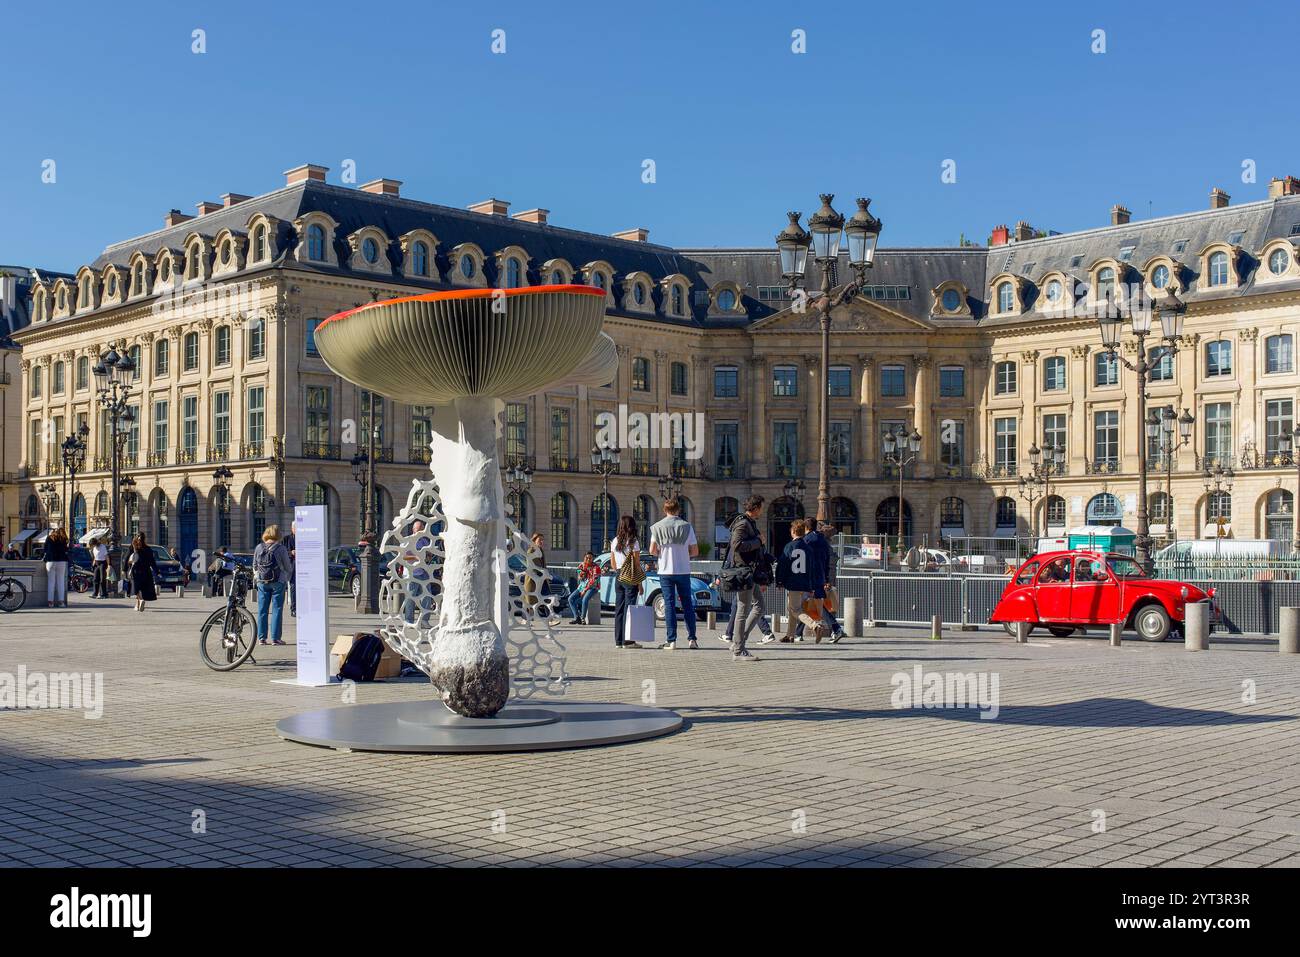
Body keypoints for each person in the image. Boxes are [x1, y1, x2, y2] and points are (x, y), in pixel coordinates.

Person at [648, 497, 699, 650]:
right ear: (678, 510)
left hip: (665, 570)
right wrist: (683, 555)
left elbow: (652, 550)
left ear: (665, 510)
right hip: (683, 570)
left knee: (669, 604)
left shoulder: (657, 527)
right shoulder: (687, 527)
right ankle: (692, 639)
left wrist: (662, 553)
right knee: (687, 604)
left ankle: (672, 640)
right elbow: (695, 550)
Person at [724, 495, 766, 661]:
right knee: (742, 610)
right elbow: (737, 545)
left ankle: (738, 642)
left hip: (749, 571)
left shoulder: (748, 522)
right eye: (761, 507)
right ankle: (738, 650)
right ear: (755, 507)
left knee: (759, 606)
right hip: (743, 572)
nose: (762, 510)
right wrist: (758, 541)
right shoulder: (743, 523)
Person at [253, 524, 294, 645]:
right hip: (278, 582)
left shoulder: (259, 547)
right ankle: (275, 638)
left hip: (262, 582)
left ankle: (261, 638)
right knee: (277, 609)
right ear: (278, 535)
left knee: (262, 610)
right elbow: (288, 567)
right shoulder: (280, 548)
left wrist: (258, 576)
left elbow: (255, 565)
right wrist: (285, 577)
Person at [776, 520, 811, 642]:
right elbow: (812, 567)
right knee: (792, 608)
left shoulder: (789, 546)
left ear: (793, 531)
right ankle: (790, 635)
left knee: (795, 609)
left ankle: (815, 625)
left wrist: (779, 581)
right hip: (805, 583)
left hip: (793, 582)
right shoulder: (808, 548)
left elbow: (783, 565)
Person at [610, 515, 642, 648]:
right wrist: (639, 583)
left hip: (618, 575)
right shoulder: (633, 541)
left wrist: (619, 570)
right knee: (630, 609)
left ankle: (618, 641)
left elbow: (612, 563)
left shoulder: (615, 541)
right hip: (630, 577)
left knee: (619, 609)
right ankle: (628, 641)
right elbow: (636, 564)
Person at [567, 552, 600, 624]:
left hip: (593, 587)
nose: (588, 559)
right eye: (586, 558)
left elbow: (593, 581)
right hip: (582, 586)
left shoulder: (596, 567)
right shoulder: (581, 566)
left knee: (585, 599)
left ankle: (583, 618)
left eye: (590, 558)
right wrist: (583, 572)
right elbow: (580, 578)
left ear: (593, 559)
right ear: (584, 558)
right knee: (570, 599)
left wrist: (585, 590)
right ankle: (576, 617)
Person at [129, 533, 158, 612]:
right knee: (142, 588)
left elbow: (127, 559)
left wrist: (124, 569)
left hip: (136, 571)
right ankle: (137, 605)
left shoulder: (134, 547)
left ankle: (141, 600)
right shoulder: (148, 549)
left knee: (136, 588)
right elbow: (152, 562)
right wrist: (157, 571)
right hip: (146, 571)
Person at [43, 527, 70, 608]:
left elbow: (45, 549)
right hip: (61, 561)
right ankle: (61, 602)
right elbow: (66, 549)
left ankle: (50, 602)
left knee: (51, 582)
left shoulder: (49, 538)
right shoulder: (63, 538)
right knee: (61, 582)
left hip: (51, 561)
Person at [283, 522, 298, 617]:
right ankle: (294, 609)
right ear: (292, 529)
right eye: (296, 528)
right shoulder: (286, 539)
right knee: (293, 588)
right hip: (292, 567)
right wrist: (291, 552)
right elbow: (282, 552)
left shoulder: (305, 538)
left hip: (304, 567)